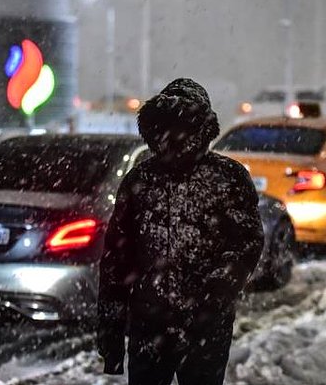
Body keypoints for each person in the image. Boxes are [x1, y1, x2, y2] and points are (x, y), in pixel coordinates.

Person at [97, 78, 264, 385]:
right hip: (153, 327)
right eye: (170, 126)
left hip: (202, 328)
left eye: (184, 126)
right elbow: (117, 260)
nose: (177, 138)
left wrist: (217, 290)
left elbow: (247, 243)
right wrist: (111, 331)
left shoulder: (227, 178)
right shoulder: (141, 180)